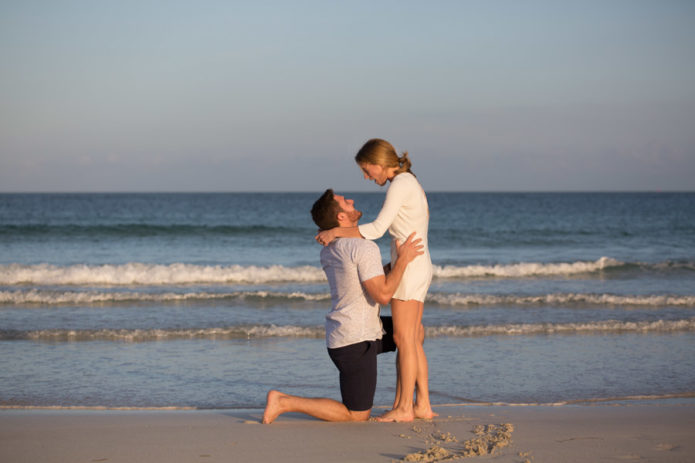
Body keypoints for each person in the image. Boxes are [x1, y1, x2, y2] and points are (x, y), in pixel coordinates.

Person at [262, 189, 423, 424]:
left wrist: (395, 264)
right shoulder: (364, 248)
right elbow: (383, 294)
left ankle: (404, 403)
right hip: (356, 342)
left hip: (348, 334)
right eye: (344, 202)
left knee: (413, 332)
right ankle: (284, 402)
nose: (351, 201)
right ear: (340, 218)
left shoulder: (330, 248)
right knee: (357, 415)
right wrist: (404, 261)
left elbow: (365, 278)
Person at [315, 138, 434, 422]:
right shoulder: (406, 183)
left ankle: (405, 408)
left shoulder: (401, 184)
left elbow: (378, 228)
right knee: (413, 338)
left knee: (404, 338)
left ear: (380, 163)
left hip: (409, 265)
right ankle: (422, 405)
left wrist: (336, 233)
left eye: (367, 170)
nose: (367, 176)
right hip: (415, 264)